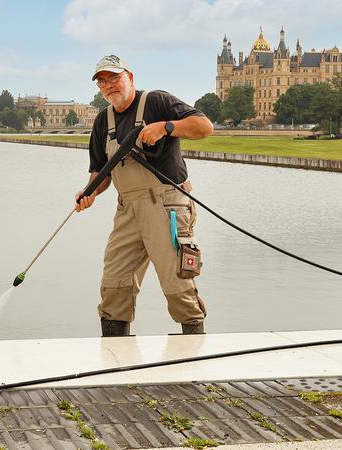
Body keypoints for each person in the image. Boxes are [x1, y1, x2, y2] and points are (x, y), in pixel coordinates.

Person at [76, 54, 214, 337]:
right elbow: (100, 173)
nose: (109, 85)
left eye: (114, 77)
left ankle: (195, 357)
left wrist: (166, 127)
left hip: (167, 205)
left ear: (130, 77)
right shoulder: (103, 120)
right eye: (102, 81)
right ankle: (115, 357)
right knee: (115, 284)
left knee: (178, 284)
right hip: (127, 209)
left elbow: (204, 127)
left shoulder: (157, 102)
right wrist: (89, 192)